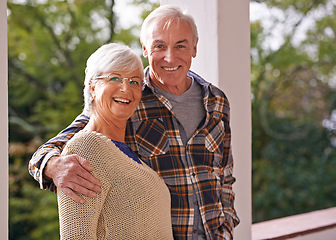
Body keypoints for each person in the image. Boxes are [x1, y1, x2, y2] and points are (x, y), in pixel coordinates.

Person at [29, 5, 239, 240]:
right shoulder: (129, 99)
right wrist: (51, 166)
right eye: (160, 46)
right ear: (146, 49)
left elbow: (225, 175)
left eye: (180, 45)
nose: (170, 57)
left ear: (194, 48)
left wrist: (226, 228)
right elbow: (61, 145)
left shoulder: (217, 101)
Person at [56, 43, 173, 239]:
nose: (126, 88)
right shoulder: (87, 147)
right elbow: (75, 236)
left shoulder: (131, 156)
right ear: (92, 86)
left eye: (135, 82)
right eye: (115, 78)